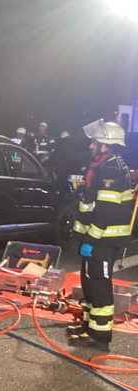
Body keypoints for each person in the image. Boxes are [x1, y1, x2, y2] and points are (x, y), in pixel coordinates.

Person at [68, 119, 135, 350]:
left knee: (99, 284)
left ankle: (100, 337)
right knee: (89, 283)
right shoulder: (103, 165)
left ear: (105, 145)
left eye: (94, 142)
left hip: (103, 240)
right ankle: (89, 326)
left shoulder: (111, 169)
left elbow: (106, 211)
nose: (91, 146)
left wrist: (90, 239)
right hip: (95, 240)